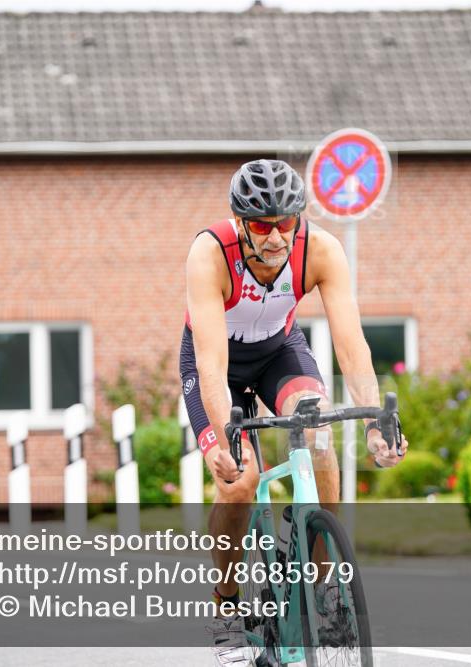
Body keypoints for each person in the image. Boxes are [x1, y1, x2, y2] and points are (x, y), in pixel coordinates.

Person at [180, 158, 408, 666]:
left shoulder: (321, 249)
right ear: (240, 223)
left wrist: (375, 422)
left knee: (319, 427)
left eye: (287, 222)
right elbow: (213, 367)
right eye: (263, 226)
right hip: (218, 364)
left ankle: (326, 584)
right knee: (240, 481)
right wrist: (222, 438)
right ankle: (226, 606)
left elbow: (352, 347)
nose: (278, 236)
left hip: (279, 353)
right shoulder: (209, 253)